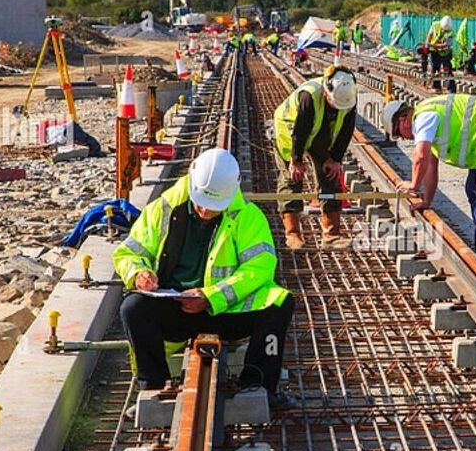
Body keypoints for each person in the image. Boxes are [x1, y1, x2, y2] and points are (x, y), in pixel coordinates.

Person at [113, 148, 294, 406]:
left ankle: (259, 385)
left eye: (213, 207)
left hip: (225, 311)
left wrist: (212, 297)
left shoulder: (247, 217)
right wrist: (139, 273)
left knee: (279, 303)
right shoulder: (163, 209)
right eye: (201, 203)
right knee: (133, 308)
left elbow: (260, 268)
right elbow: (127, 253)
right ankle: (152, 388)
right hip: (177, 310)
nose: (205, 211)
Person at [382, 94, 476, 272]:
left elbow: (420, 156)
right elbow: (431, 166)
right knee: (474, 190)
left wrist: (414, 185)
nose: (404, 138)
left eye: (399, 134)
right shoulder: (427, 121)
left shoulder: (424, 117)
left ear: (403, 120)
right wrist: (427, 201)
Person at [273, 65, 357, 250]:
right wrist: (296, 160)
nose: (337, 108)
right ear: (327, 92)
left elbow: (346, 130)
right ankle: (292, 234)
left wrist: (334, 159)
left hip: (319, 132)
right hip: (290, 131)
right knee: (292, 180)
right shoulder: (309, 96)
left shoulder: (348, 95)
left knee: (330, 176)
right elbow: (300, 131)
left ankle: (332, 234)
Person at [425, 16, 456, 91]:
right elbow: (430, 34)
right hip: (434, 51)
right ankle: (436, 86)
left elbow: (446, 45)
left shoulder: (451, 32)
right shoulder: (435, 25)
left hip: (445, 52)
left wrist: (432, 45)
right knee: (435, 68)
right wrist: (427, 44)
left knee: (448, 69)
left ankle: (451, 88)